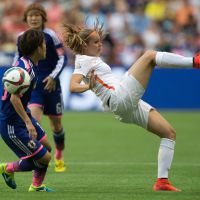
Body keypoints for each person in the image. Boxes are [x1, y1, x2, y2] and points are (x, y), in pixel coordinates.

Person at [62, 21, 200, 192]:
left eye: (100, 41)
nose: (100, 45)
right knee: (149, 56)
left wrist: (91, 86)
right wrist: (87, 86)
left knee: (169, 134)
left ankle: (162, 182)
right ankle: (196, 62)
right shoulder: (84, 60)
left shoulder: (89, 59)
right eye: (96, 42)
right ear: (84, 45)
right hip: (120, 98)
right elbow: (72, 86)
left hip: (123, 106)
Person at [13, 3, 67, 172]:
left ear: (43, 18)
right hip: (33, 87)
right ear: (26, 18)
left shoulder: (51, 36)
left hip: (51, 86)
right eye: (30, 16)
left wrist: (53, 77)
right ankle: (38, 161)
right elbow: (17, 60)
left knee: (56, 125)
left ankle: (58, 154)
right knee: (34, 123)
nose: (33, 18)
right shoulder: (22, 37)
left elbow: (62, 59)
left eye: (37, 15)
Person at [0, 29, 54, 192]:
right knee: (45, 157)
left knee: (47, 147)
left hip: (23, 116)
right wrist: (28, 123)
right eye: (44, 44)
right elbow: (14, 99)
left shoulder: (28, 64)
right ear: (38, 47)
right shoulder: (25, 69)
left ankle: (36, 186)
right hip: (12, 123)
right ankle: (7, 168)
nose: (46, 47)